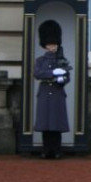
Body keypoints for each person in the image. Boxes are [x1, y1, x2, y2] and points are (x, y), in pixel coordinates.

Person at [34, 20, 71, 159]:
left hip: (57, 93)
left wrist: (62, 80)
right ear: (45, 45)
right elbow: (38, 73)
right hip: (44, 93)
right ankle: (46, 150)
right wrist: (53, 73)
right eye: (49, 44)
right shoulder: (40, 60)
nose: (52, 46)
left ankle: (56, 150)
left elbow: (67, 76)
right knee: (45, 124)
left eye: (54, 44)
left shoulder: (62, 60)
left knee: (56, 124)